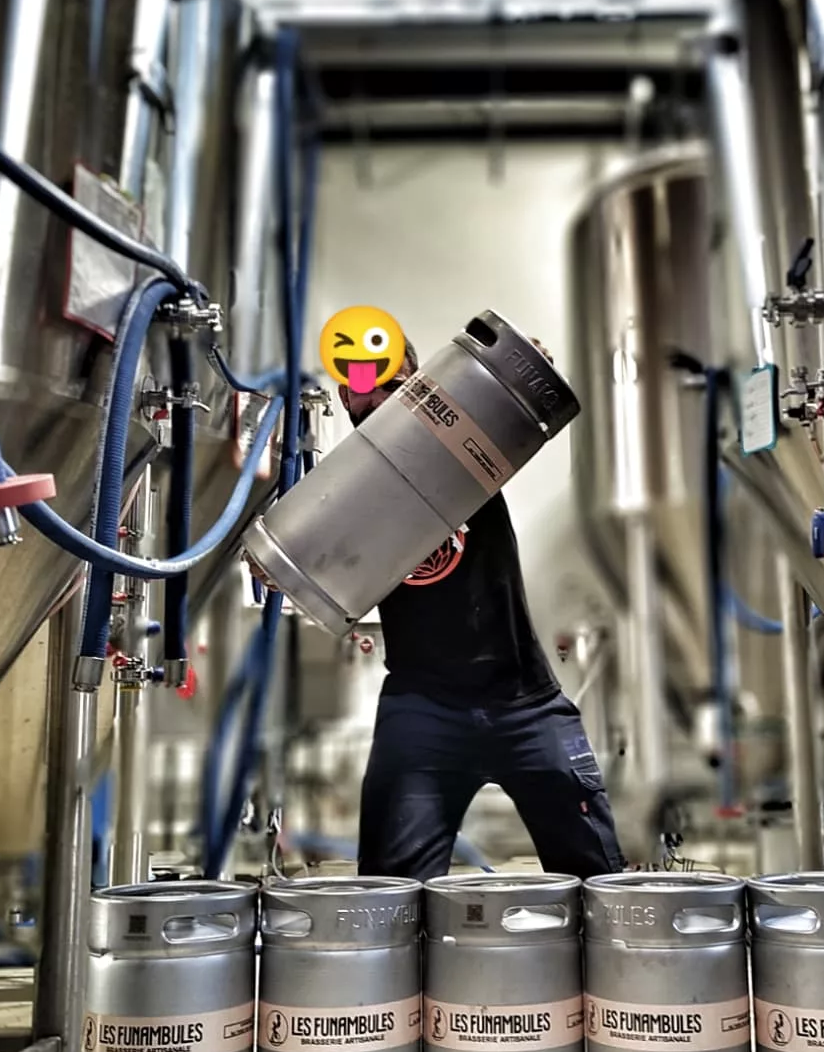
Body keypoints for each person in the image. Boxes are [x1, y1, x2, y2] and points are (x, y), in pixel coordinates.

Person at [250, 332, 626, 882]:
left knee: (599, 879)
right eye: (362, 384)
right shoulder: (340, 497)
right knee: (389, 892)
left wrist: (522, 368)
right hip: (422, 709)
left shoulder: (464, 450)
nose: (378, 395)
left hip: (525, 703)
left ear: (418, 383)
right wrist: (274, 565)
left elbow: (509, 396)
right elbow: (289, 559)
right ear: (345, 396)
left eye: (392, 380)